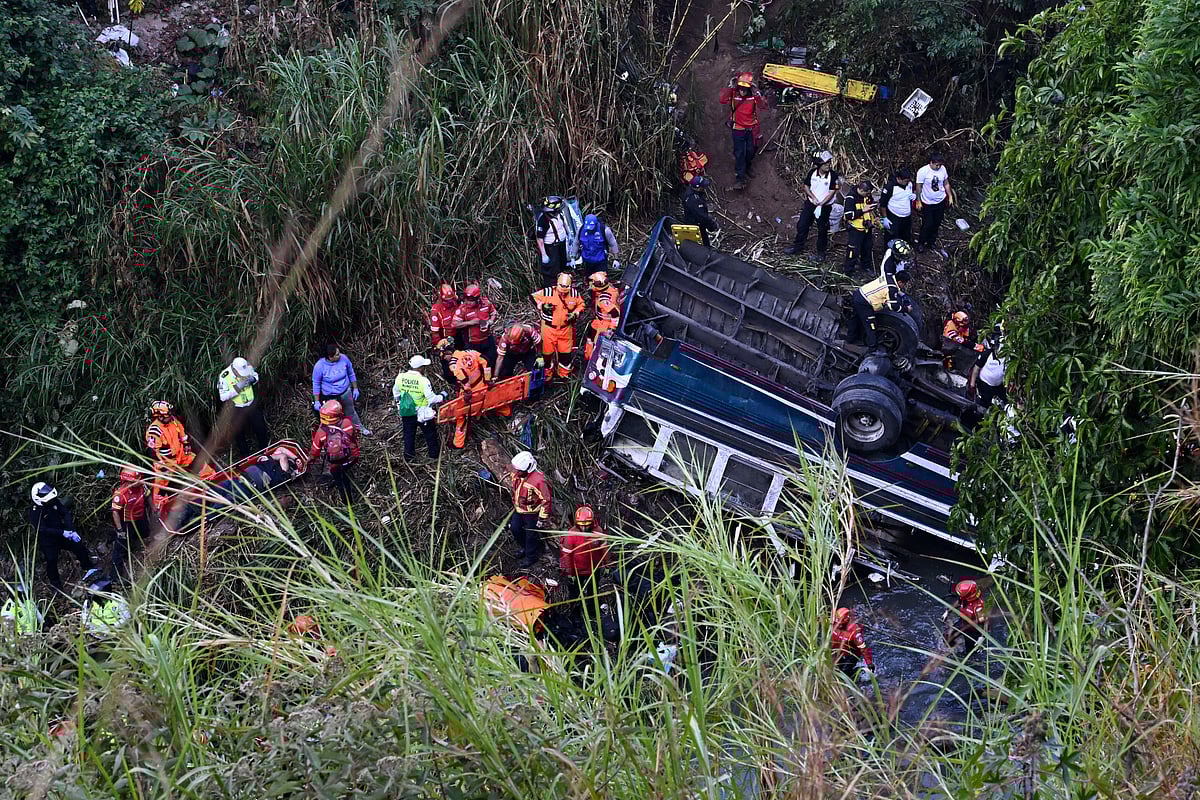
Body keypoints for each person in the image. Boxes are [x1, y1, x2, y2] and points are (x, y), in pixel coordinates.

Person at [29, 482, 98, 592]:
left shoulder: (52, 501)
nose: (51, 501)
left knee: (78, 546)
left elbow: (65, 513)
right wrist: (62, 532)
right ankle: (56, 587)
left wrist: (71, 530)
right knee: (52, 561)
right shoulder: (35, 511)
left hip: (63, 533)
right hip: (48, 541)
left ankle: (88, 568)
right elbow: (42, 529)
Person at [436, 339, 499, 449]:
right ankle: (507, 414)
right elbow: (485, 361)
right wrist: (488, 379)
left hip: (471, 393)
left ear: (447, 353)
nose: (444, 359)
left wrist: (467, 392)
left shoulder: (453, 364)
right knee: (495, 401)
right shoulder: (470, 352)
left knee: (462, 416)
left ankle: (458, 443)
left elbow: (464, 380)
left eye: (443, 356)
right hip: (483, 386)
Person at [785, 152, 840, 260]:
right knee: (802, 225)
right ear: (819, 165)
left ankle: (821, 253)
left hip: (824, 207)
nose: (828, 165)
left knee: (822, 229)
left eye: (829, 163)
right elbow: (806, 186)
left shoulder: (833, 176)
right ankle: (797, 247)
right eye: (825, 164)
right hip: (811, 204)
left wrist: (822, 203)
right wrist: (813, 197)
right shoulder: (812, 173)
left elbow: (832, 192)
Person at [531, 272, 586, 381]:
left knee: (565, 355)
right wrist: (542, 306)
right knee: (546, 355)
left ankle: (564, 374)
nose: (563, 294)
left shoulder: (574, 294)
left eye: (565, 291)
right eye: (561, 291)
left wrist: (575, 313)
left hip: (566, 329)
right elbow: (533, 297)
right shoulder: (548, 292)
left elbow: (581, 305)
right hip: (548, 329)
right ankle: (547, 377)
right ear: (557, 285)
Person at [718, 71, 766, 190]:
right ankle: (740, 178)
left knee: (750, 150)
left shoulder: (753, 97)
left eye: (745, 89)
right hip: (738, 129)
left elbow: (763, 105)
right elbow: (722, 100)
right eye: (741, 88)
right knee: (739, 153)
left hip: (750, 129)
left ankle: (747, 166)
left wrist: (757, 93)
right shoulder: (734, 94)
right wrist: (730, 87)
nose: (742, 91)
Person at [392, 355, 444, 461]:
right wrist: (442, 396)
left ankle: (409, 457)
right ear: (420, 368)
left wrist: (399, 404)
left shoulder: (400, 377)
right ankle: (434, 455)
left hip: (407, 411)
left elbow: (396, 393)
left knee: (408, 435)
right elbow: (432, 399)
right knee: (430, 434)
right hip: (423, 414)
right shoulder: (423, 380)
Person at [311, 343, 370, 436]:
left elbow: (351, 373)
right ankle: (335, 436)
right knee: (332, 417)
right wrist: (317, 401)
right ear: (330, 357)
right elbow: (316, 384)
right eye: (337, 354)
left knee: (350, 411)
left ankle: (359, 428)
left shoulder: (344, 359)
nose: (340, 355)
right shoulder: (319, 366)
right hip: (329, 396)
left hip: (345, 391)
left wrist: (355, 388)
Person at [308, 400, 360, 502]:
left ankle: (347, 503)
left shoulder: (321, 432)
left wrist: (309, 460)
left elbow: (315, 451)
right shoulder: (347, 423)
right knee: (344, 473)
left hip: (336, 463)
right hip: (352, 457)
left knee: (340, 481)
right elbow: (355, 436)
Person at [846, 269, 912, 349]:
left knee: (855, 318)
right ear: (900, 282)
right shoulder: (891, 289)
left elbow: (889, 288)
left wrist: (901, 293)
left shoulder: (889, 277)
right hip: (864, 303)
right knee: (871, 326)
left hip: (859, 294)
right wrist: (906, 309)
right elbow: (894, 307)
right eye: (904, 284)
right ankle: (872, 348)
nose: (904, 286)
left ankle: (850, 339)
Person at [560, 505, 610, 608]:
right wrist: (569, 573)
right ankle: (576, 613)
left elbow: (604, 550)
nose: (584, 528)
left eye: (586, 525)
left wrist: (607, 566)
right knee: (575, 594)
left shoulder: (598, 531)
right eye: (581, 525)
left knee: (593, 591)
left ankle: (592, 609)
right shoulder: (571, 535)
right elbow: (567, 555)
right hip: (577, 572)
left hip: (594, 569)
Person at [217, 356, 268, 457]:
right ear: (234, 369)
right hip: (237, 408)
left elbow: (256, 376)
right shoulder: (224, 376)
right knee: (239, 433)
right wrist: (237, 388)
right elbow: (223, 397)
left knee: (260, 427)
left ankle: (265, 451)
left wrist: (252, 379)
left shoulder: (247, 367)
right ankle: (245, 457)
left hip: (251, 404)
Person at [510, 451, 552, 568]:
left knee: (531, 534)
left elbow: (546, 500)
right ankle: (524, 547)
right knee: (515, 528)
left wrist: (542, 518)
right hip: (519, 509)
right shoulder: (516, 474)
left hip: (532, 513)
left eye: (519, 471)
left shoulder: (538, 481)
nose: (516, 472)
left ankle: (531, 556)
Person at [109, 465, 149, 584]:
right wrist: (120, 530)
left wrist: (154, 509)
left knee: (145, 533)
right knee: (120, 548)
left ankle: (132, 544)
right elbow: (115, 513)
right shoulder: (120, 494)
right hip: (126, 522)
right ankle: (115, 576)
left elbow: (148, 497)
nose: (140, 481)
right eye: (137, 479)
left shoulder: (142, 486)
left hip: (140, 517)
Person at [916, 152, 954, 255]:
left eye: (940, 165)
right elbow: (918, 187)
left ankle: (931, 242)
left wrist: (950, 196)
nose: (938, 167)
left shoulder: (943, 169)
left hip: (940, 201)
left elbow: (946, 183)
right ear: (931, 163)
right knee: (927, 224)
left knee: (937, 223)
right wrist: (918, 200)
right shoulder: (923, 171)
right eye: (936, 165)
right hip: (927, 202)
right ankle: (921, 243)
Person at [452, 284, 498, 368]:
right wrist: (470, 323)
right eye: (466, 299)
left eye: (471, 300)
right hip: (472, 342)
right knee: (475, 365)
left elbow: (493, 313)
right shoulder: (462, 309)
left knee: (492, 361)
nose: (468, 302)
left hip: (487, 339)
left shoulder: (486, 303)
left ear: (477, 299)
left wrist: (490, 321)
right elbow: (454, 324)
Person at [841, 180, 878, 275]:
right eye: (867, 193)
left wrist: (874, 216)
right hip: (856, 229)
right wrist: (863, 210)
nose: (868, 195)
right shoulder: (851, 198)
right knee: (853, 250)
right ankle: (848, 271)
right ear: (861, 190)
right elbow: (849, 215)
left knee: (867, 248)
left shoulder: (867, 195)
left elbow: (869, 206)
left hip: (867, 227)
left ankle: (866, 266)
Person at [430, 283, 464, 384]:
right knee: (448, 362)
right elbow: (435, 332)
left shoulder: (455, 300)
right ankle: (453, 381)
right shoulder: (436, 310)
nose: (450, 303)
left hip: (459, 334)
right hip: (446, 338)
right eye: (447, 301)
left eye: (451, 300)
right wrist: (442, 349)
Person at [144, 400, 194, 467]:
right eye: (168, 415)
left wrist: (185, 443)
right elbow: (153, 450)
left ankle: (208, 475)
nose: (171, 417)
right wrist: (159, 463)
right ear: (160, 417)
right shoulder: (155, 430)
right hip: (166, 461)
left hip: (180, 454)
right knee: (164, 475)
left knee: (198, 462)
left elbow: (180, 430)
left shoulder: (172, 421)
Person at [535, 196, 570, 287]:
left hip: (561, 244)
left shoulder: (559, 215)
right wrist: (544, 254)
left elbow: (564, 226)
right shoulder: (543, 220)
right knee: (551, 270)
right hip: (551, 248)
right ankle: (551, 288)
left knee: (562, 264)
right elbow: (539, 238)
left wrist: (568, 236)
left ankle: (563, 284)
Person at [968, 326, 1007, 407]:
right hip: (985, 385)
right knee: (985, 404)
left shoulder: (1007, 357)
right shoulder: (987, 354)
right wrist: (972, 385)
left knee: (1005, 402)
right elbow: (976, 369)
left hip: (999, 386)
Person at [831, 607, 874, 677]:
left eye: (840, 621)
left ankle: (860, 672)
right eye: (837, 621)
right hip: (838, 651)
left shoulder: (855, 631)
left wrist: (869, 663)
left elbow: (862, 647)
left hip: (851, 654)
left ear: (846, 619)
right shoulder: (833, 624)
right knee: (836, 669)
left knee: (845, 673)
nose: (838, 624)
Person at [947, 579, 988, 651]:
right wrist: (948, 611)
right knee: (947, 637)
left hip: (973, 630)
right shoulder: (964, 598)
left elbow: (985, 622)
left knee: (970, 650)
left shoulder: (979, 606)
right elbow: (959, 602)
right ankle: (952, 649)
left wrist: (982, 637)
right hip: (962, 622)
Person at [879, 167, 916, 244]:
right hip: (894, 216)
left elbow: (913, 191)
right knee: (892, 237)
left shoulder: (909, 184)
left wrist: (914, 195)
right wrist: (885, 218)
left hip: (906, 217)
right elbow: (883, 204)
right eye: (905, 181)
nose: (907, 182)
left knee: (905, 236)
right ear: (899, 179)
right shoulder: (890, 187)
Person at [680, 175, 720, 246]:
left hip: (689, 220)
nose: (704, 188)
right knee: (704, 243)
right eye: (702, 186)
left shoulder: (688, 192)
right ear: (698, 188)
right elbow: (702, 217)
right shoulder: (695, 200)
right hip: (696, 226)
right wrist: (712, 226)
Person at [585, 292, 621, 361]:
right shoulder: (598, 293)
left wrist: (611, 328)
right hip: (597, 322)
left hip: (604, 325)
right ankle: (588, 358)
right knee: (590, 340)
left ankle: (594, 361)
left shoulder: (604, 298)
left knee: (598, 345)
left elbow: (615, 313)